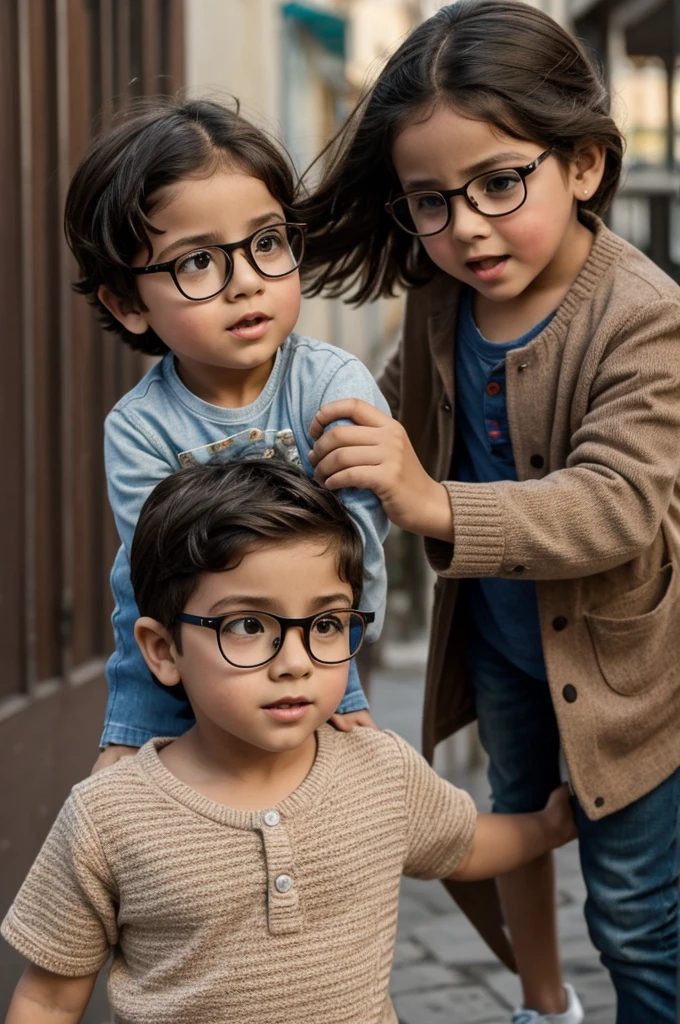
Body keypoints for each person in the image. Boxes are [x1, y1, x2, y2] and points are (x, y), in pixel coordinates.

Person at [298, 2, 680, 1022]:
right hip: (503, 643)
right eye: (430, 198)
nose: (464, 223)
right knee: (516, 818)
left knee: (636, 911)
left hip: (625, 675)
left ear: (584, 164)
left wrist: (426, 497)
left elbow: (615, 505)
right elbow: (401, 406)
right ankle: (544, 1005)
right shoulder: (440, 291)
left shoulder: (640, 316)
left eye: (498, 183)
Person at [1, 460, 577, 1024]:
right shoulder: (107, 816)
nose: (295, 664)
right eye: (249, 625)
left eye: (326, 624)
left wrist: (549, 827)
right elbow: (50, 999)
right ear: (162, 650)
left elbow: (466, 843)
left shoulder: (381, 771)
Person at [62, 98, 389, 770]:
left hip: (318, 633)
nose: (245, 284)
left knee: (357, 770)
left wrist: (343, 652)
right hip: (184, 647)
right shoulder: (140, 426)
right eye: (198, 262)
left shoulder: (331, 385)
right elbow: (161, 577)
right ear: (128, 304)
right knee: (134, 571)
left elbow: (362, 534)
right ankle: (131, 733)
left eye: (267, 243)